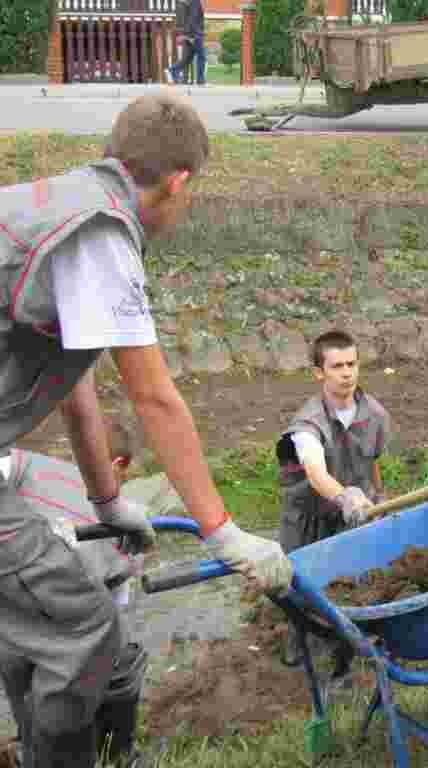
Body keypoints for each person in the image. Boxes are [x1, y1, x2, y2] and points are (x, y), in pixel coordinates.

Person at [0, 91, 291, 768]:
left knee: (43, 626)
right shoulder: (100, 237)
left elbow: (74, 384)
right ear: (179, 182)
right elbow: (153, 397)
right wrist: (225, 534)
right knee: (85, 632)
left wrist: (107, 501)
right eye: (192, 196)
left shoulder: (64, 202)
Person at [3, 405, 144, 767]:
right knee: (118, 665)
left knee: (23, 672)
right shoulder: (120, 524)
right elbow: (117, 605)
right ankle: (116, 754)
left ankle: (29, 751)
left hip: (17, 602)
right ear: (118, 465)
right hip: (66, 605)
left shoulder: (30, 467)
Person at [275, 330, 391, 689]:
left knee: (348, 582)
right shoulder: (307, 425)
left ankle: (343, 658)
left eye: (352, 364)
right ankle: (298, 644)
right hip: (308, 516)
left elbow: (371, 459)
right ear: (319, 372)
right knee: (298, 587)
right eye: (337, 365)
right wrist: (347, 497)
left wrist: (378, 494)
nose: (346, 373)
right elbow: (316, 474)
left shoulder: (373, 413)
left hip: (351, 516)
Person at [166, 0, 206, 86]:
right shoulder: (195, 2)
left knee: (187, 58)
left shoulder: (187, 2)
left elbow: (186, 18)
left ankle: (172, 70)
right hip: (194, 34)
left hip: (188, 33)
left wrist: (184, 34)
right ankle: (200, 80)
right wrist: (193, 35)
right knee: (202, 56)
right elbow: (193, 19)